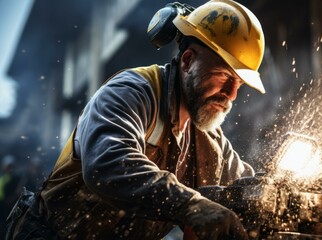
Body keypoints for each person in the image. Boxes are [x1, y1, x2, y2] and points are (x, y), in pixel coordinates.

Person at [6, 0, 266, 239]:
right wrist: (191, 204)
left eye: (239, 84)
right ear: (187, 61)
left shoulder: (209, 140)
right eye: (224, 77)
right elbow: (107, 163)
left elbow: (245, 188)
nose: (231, 94)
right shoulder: (132, 92)